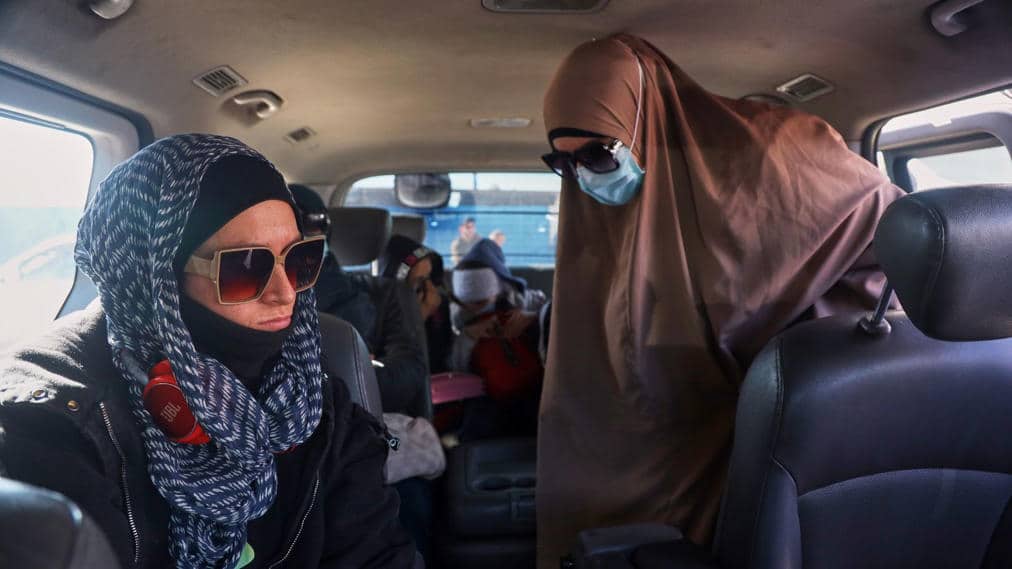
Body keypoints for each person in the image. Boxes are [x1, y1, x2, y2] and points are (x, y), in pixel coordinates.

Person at [536, 35, 905, 567]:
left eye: (598, 153)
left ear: (642, 122)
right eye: (564, 163)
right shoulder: (603, 218)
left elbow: (890, 225)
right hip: (677, 426)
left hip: (789, 410)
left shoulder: (772, 154)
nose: (585, 177)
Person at [0, 135, 419, 569]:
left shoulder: (316, 402)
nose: (285, 293)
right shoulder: (58, 422)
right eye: (246, 266)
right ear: (157, 278)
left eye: (299, 258)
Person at [289, 185, 431, 420]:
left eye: (308, 227)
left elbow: (408, 375)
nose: (297, 241)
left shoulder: (385, 294)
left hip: (363, 424)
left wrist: (357, 368)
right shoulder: (253, 301)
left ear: (326, 231)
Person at [448, 239, 549, 441]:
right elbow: (456, 370)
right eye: (469, 304)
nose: (476, 309)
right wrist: (468, 337)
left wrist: (532, 317)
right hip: (488, 394)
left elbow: (553, 316)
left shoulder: (526, 302)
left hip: (530, 387)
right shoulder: (457, 318)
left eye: (482, 302)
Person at [378, 234, 453, 374]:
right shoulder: (376, 317)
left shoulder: (438, 310)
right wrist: (419, 319)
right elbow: (400, 368)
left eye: (430, 278)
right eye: (419, 283)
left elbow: (442, 360)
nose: (431, 290)